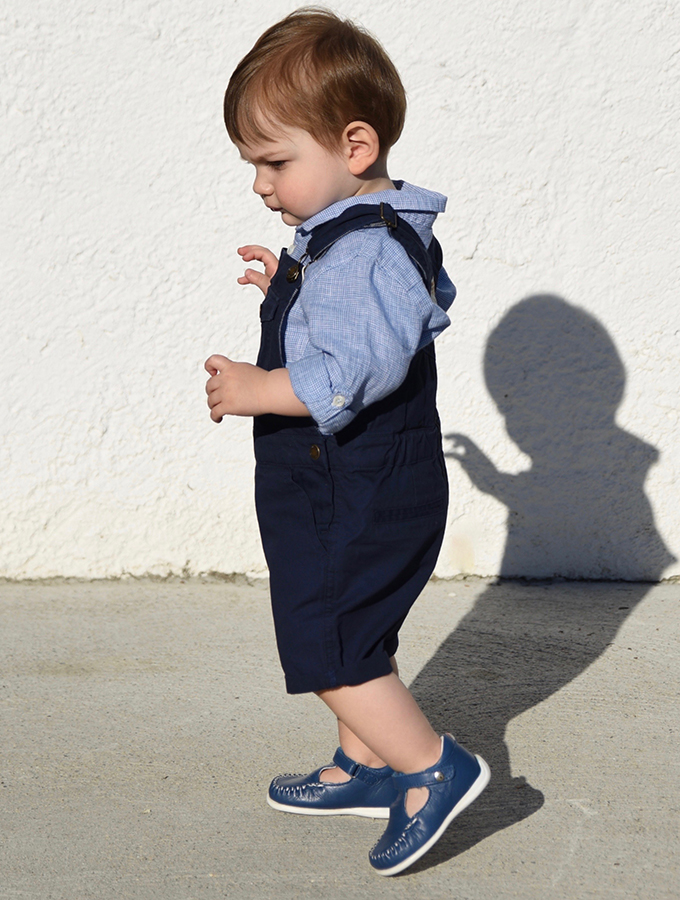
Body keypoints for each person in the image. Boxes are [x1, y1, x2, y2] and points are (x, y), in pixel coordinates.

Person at [203, 7, 489, 876]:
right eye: (254, 162)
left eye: (275, 160)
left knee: (327, 639)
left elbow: (347, 375)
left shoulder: (363, 254)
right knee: (353, 623)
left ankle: (429, 767)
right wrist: (289, 279)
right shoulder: (346, 239)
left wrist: (257, 388)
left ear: (354, 147)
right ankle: (363, 762)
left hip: (351, 484)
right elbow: (355, 318)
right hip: (358, 481)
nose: (260, 182)